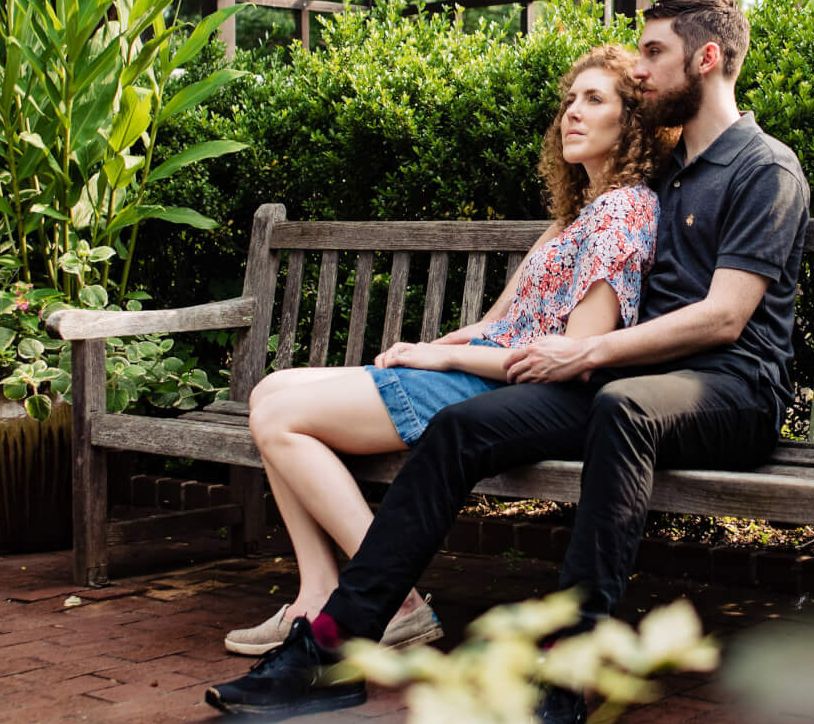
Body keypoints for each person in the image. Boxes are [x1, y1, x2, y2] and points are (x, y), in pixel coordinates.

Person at [204, 0, 810, 724]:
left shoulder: (766, 169)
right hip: (634, 382)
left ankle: (568, 672)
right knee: (461, 428)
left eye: (654, 53)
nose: (643, 70)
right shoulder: (672, 175)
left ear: (708, 58)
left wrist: (583, 352)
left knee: (622, 407)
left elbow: (725, 317)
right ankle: (332, 648)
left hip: (730, 390)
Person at [217, 43, 668, 669]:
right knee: (270, 391)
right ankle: (316, 593)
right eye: (570, 99)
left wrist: (442, 362)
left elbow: (572, 356)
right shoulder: (574, 216)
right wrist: (439, 346)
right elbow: (498, 325)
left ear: (632, 124)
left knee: (277, 418)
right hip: (483, 373)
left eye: (595, 100)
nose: (572, 112)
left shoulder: (623, 214)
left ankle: (394, 601)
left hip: (510, 398)